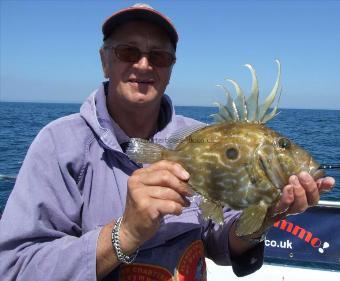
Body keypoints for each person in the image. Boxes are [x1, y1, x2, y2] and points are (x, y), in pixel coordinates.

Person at [0, 3, 335, 281]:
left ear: (171, 66)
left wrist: (260, 221)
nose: (144, 65)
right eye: (128, 51)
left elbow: (219, 240)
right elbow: (14, 268)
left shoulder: (197, 138)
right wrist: (125, 234)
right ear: (105, 59)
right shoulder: (59, 144)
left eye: (159, 56)